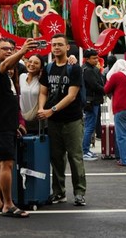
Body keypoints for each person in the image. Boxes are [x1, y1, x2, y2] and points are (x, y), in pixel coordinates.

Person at [0, 37, 33, 218]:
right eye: (4, 49)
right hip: (1, 126)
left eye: (11, 48)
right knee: (6, 164)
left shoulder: (5, 74)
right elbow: (4, 65)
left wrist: (16, 124)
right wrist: (23, 51)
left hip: (5, 124)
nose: (9, 51)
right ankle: (8, 204)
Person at [38, 33, 87, 207]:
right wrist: (41, 109)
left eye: (60, 44)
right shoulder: (49, 68)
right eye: (54, 45)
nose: (56, 47)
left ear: (67, 47)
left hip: (72, 119)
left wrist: (50, 111)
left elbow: (72, 95)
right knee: (56, 158)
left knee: (75, 157)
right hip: (53, 121)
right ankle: (59, 192)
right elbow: (43, 92)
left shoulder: (74, 68)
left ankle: (79, 193)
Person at [82, 49, 105, 161]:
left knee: (90, 126)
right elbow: (95, 85)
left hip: (93, 100)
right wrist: (105, 89)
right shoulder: (88, 70)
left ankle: (86, 149)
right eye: (94, 58)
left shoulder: (91, 69)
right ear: (87, 59)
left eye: (97, 58)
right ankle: (84, 150)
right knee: (90, 126)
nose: (96, 60)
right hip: (91, 101)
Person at [19, 54, 43, 134]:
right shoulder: (21, 77)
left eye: (36, 63)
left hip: (37, 120)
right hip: (22, 120)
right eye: (30, 61)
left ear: (41, 67)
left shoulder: (42, 81)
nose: (32, 64)